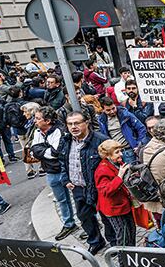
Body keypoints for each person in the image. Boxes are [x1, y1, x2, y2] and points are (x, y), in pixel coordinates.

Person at [58, 111, 112, 254]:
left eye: (77, 123)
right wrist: (65, 179)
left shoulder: (100, 140)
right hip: (78, 188)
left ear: (86, 123)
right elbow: (62, 161)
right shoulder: (66, 140)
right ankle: (95, 242)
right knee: (85, 217)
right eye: (70, 124)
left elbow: (112, 164)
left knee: (107, 218)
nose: (73, 127)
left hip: (98, 189)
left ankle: (114, 245)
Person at [30, 106, 78, 240]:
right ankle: (69, 224)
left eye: (38, 118)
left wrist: (41, 152)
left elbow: (56, 153)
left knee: (79, 198)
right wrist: (44, 151)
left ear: (48, 120)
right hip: (51, 172)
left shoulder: (59, 131)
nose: (35, 121)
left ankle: (90, 224)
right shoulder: (37, 132)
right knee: (62, 200)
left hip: (65, 171)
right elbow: (33, 150)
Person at [94, 140, 136, 247]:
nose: (121, 154)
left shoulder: (117, 163)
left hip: (124, 204)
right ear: (107, 155)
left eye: (120, 151)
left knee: (131, 231)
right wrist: (120, 176)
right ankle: (124, 262)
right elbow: (106, 191)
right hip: (114, 209)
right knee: (123, 237)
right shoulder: (102, 170)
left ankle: (133, 258)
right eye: (117, 152)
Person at [97, 96, 148, 164]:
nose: (112, 111)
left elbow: (141, 128)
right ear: (103, 110)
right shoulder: (101, 120)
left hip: (128, 150)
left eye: (113, 108)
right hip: (113, 154)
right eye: (108, 110)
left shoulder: (125, 114)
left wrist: (138, 144)